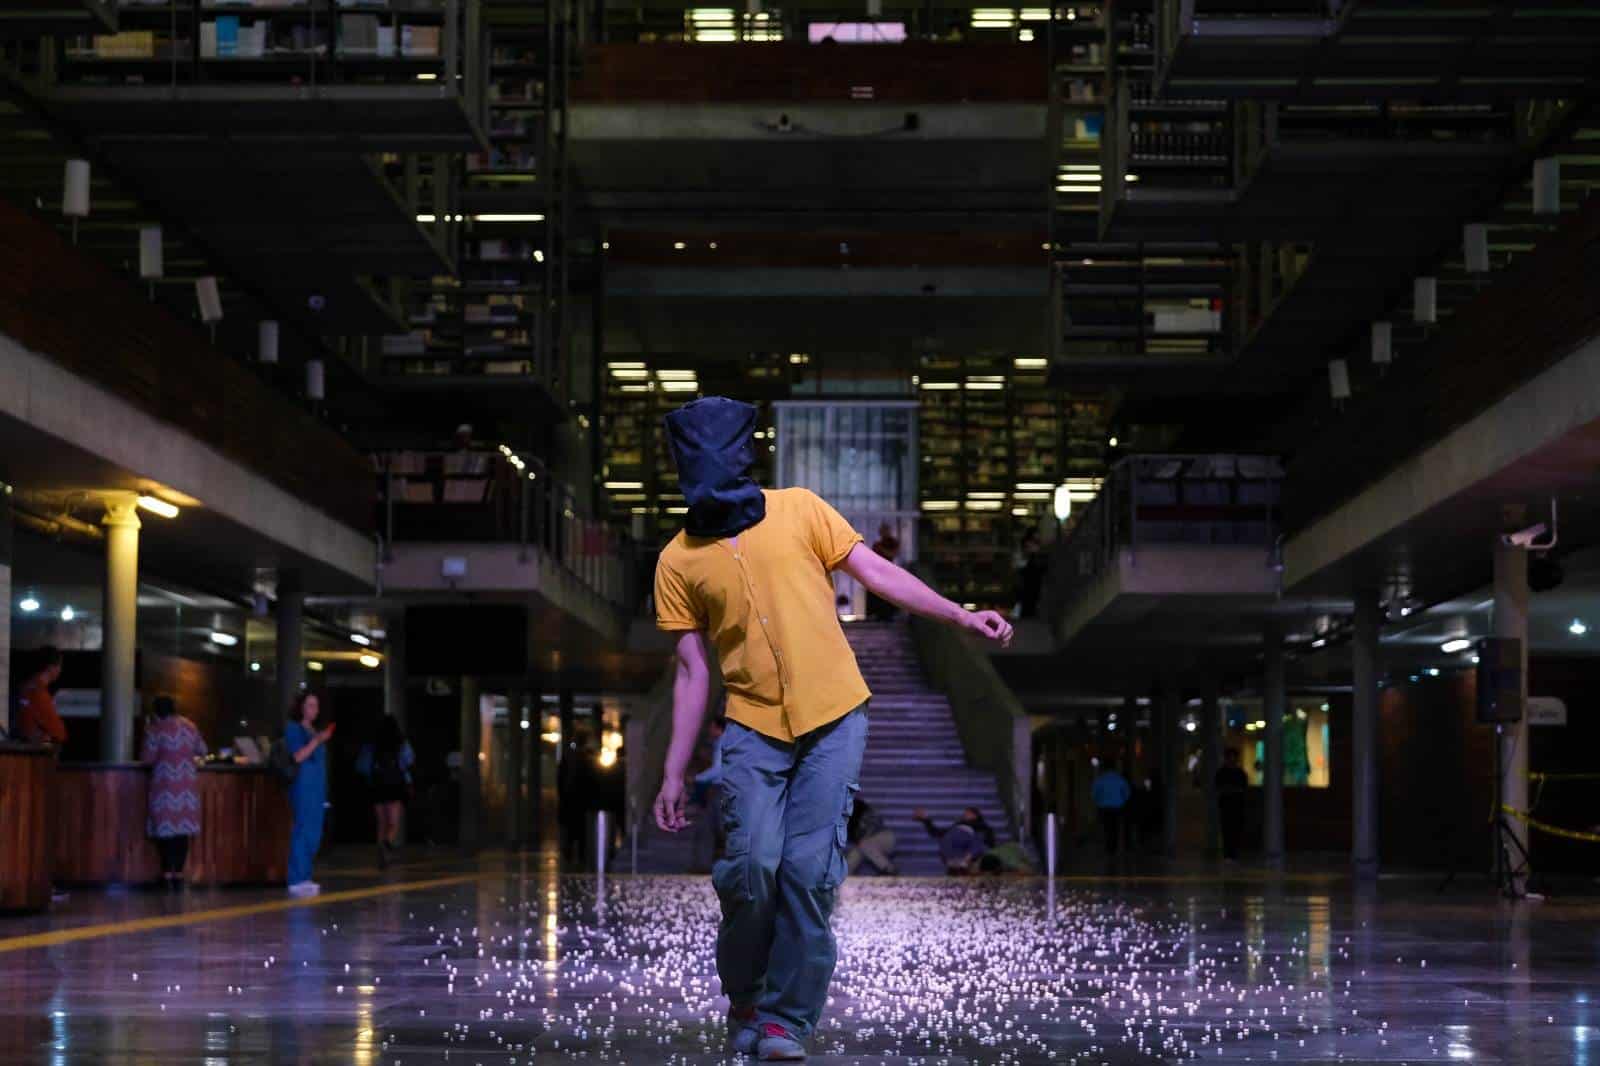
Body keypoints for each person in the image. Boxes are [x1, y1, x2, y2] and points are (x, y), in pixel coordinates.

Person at [651, 396, 1012, 1062]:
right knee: (750, 866)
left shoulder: (800, 509)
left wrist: (960, 617)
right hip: (752, 725)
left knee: (811, 870)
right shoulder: (678, 560)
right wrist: (674, 769)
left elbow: (875, 572)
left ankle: (787, 1020)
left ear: (742, 456)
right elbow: (690, 670)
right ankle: (747, 998)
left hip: (833, 715)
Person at [141, 695, 208, 891]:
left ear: (156, 712)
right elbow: (202, 750)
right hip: (187, 787)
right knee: (182, 833)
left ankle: (166, 874)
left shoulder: (155, 730)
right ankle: (178, 875)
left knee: (165, 832)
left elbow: (147, 759)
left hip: (164, 788)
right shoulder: (190, 726)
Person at [284, 691, 335, 897]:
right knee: (303, 828)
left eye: (316, 705)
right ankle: (296, 877)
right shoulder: (294, 729)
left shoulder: (314, 730)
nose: (314, 709)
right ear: (301, 707)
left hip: (317, 786)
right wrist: (318, 740)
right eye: (310, 705)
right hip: (303, 785)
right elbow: (298, 756)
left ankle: (305, 875)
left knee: (314, 830)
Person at [355, 714, 414, 869]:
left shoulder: (371, 744)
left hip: (377, 786)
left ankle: (381, 852)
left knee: (381, 822)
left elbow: (362, 766)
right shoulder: (401, 743)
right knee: (393, 823)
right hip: (395, 786)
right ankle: (387, 844)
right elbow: (408, 761)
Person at [913, 806, 996, 875]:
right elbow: (937, 832)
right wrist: (926, 819)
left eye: (969, 814)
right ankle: (955, 863)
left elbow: (988, 845)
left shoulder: (983, 829)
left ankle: (963, 863)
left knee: (977, 843)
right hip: (953, 850)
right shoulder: (958, 826)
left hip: (971, 854)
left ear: (976, 815)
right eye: (965, 814)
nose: (965, 815)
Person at [15, 646, 66, 748]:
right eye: (59, 666)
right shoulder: (38, 692)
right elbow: (57, 731)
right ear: (50, 667)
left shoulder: (28, 687)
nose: (60, 670)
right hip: (36, 752)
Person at [845, 796, 897, 876]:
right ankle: (843, 878)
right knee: (856, 853)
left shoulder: (858, 806)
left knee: (863, 844)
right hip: (867, 844)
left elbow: (872, 825)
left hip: (885, 837)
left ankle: (889, 870)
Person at [1215, 747, 1250, 861]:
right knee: (1227, 830)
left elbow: (1243, 789)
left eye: (1233, 758)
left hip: (1237, 807)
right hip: (1226, 807)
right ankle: (1228, 854)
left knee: (1235, 830)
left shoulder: (1240, 773)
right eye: (1230, 758)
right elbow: (1219, 789)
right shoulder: (1222, 773)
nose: (1232, 760)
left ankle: (1233, 853)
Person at [1091, 763, 1133, 857]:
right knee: (1115, 827)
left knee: (1106, 826)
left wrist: (1098, 802)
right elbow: (1127, 792)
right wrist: (1122, 801)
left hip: (1104, 807)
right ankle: (1113, 847)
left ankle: (1108, 846)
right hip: (1117, 806)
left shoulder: (1100, 779)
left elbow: (1094, 793)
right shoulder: (1119, 779)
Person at [865, 524, 900, 621]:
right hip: (879, 572)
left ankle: (888, 615)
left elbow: (893, 553)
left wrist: (882, 549)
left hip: (889, 573)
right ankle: (876, 614)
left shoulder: (892, 542)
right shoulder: (877, 544)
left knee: (889, 595)